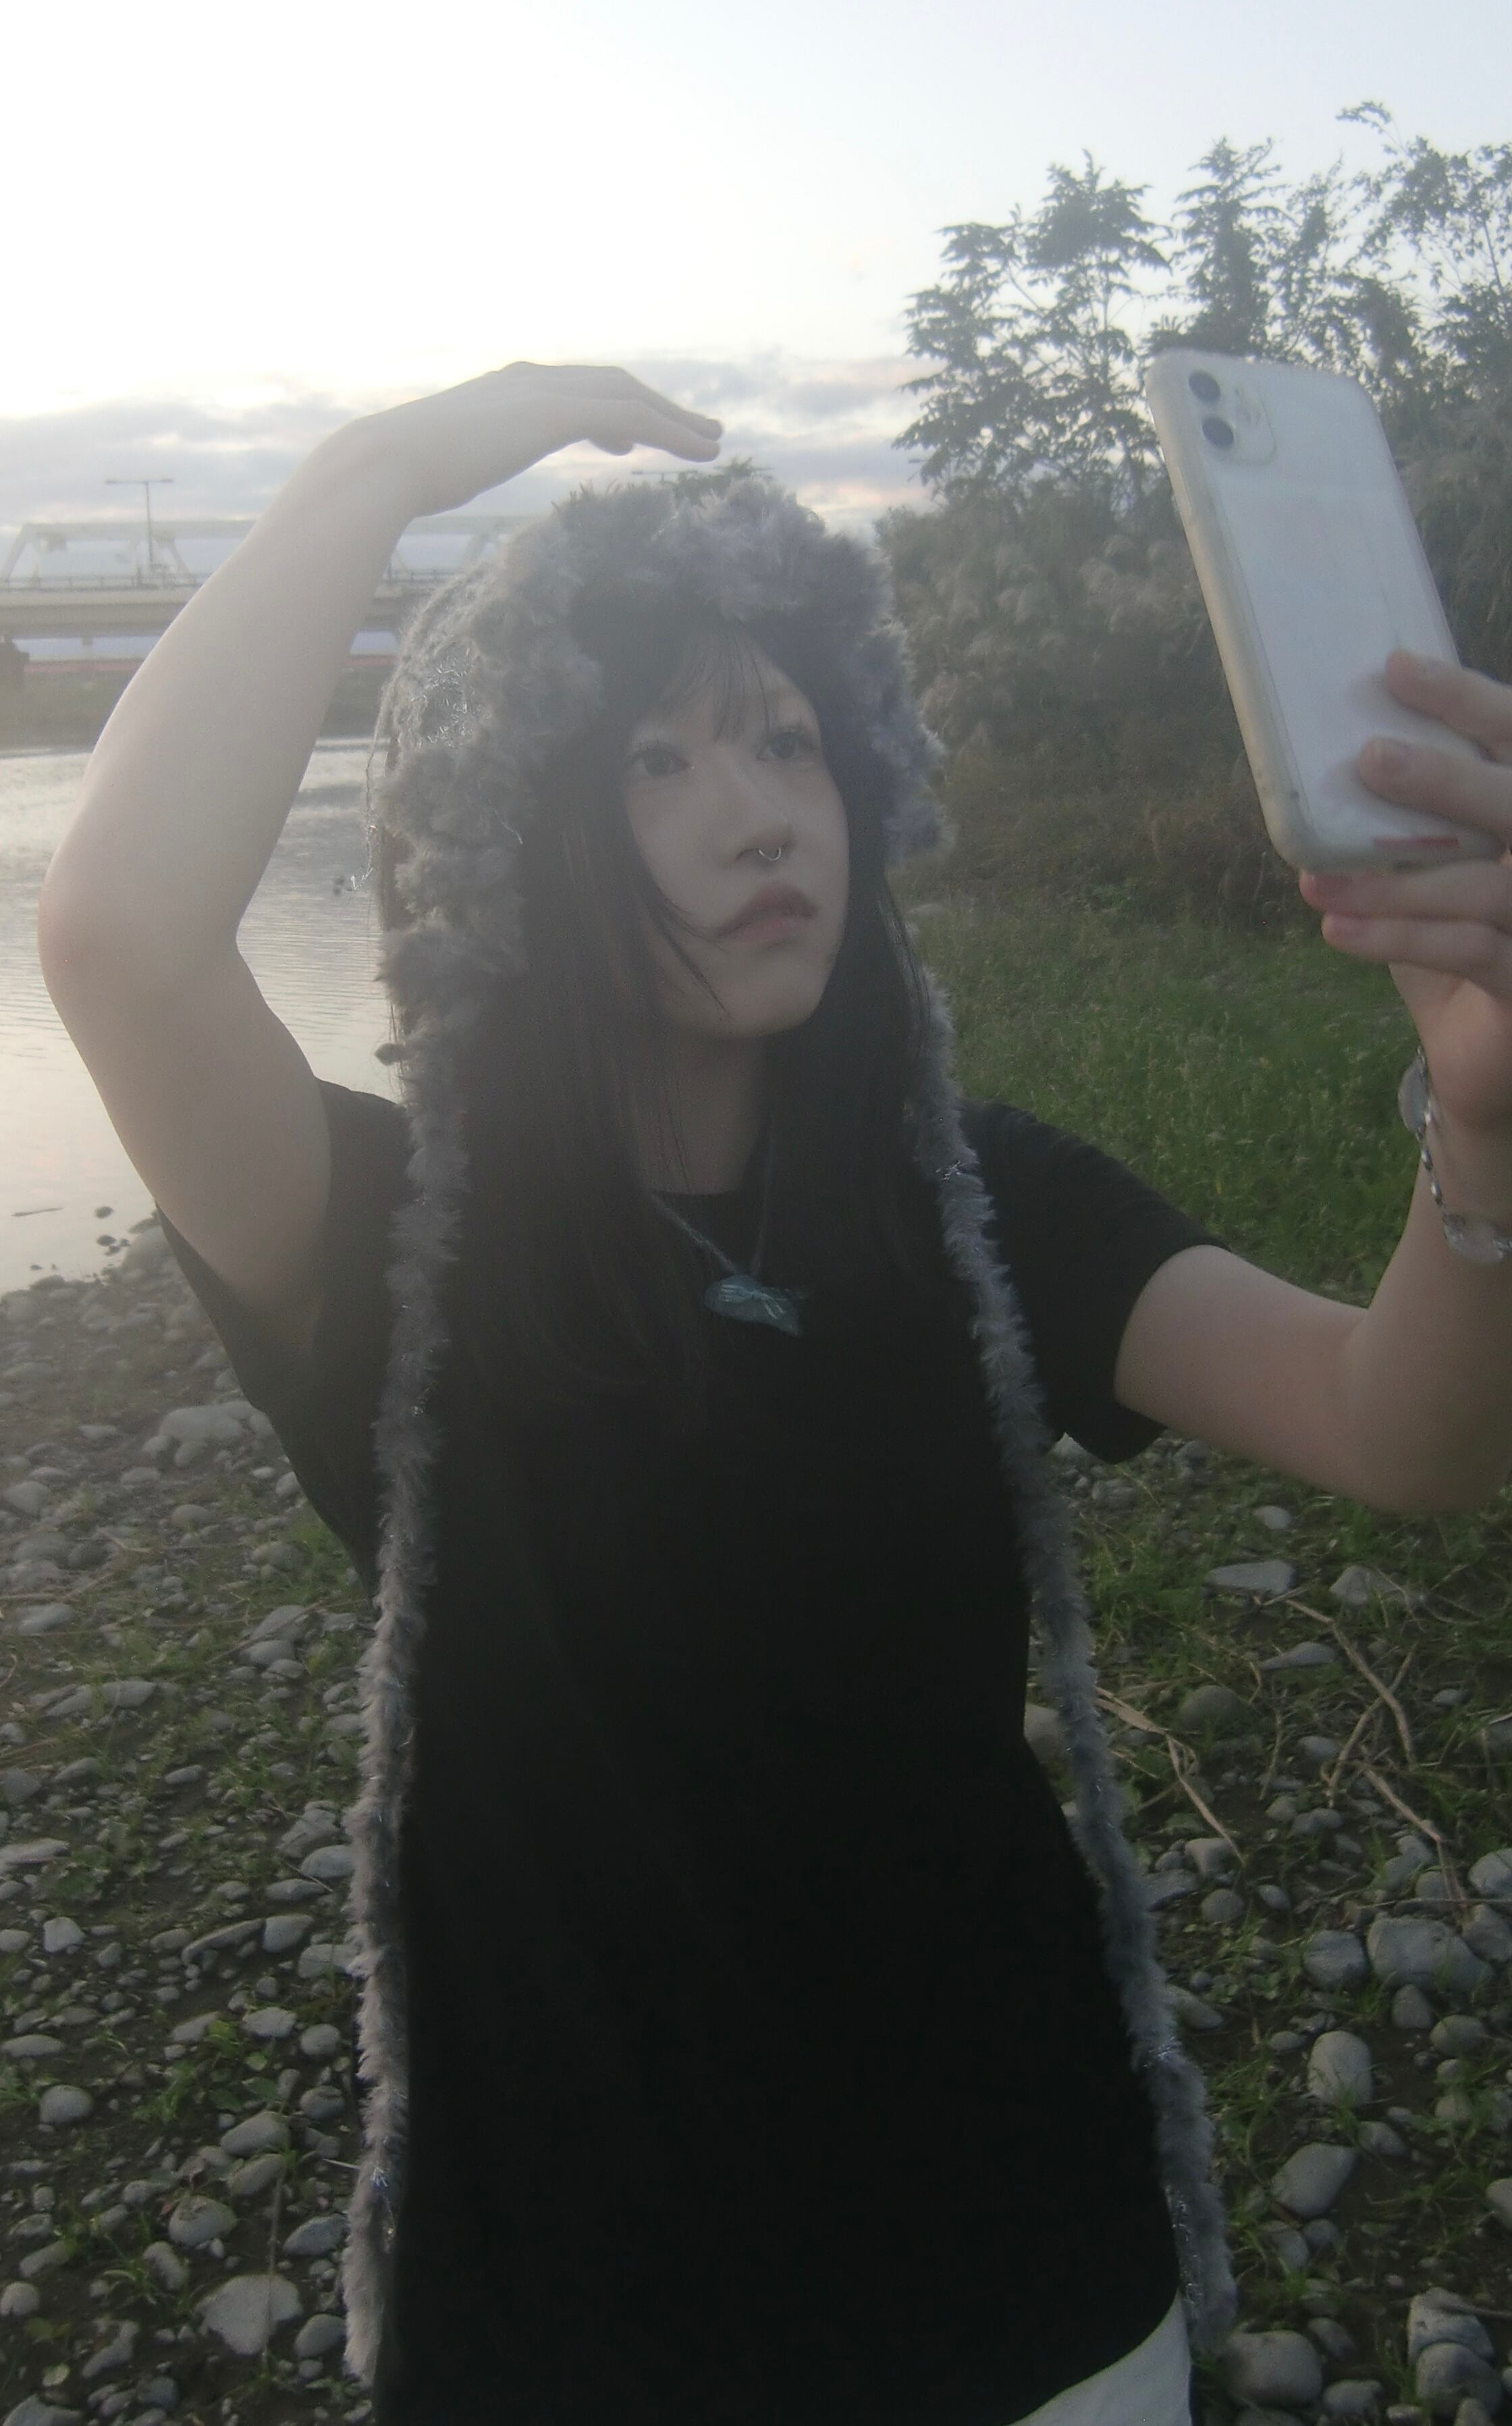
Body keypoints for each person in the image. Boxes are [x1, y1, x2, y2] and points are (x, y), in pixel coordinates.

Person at [38, 363, 1512, 2426]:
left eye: (788, 739)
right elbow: (118, 935)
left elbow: (1396, 1427)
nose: (758, 810)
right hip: (581, 2315)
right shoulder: (396, 1240)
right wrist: (376, 472)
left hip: (1025, 2277)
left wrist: (1486, 1120)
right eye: (655, 756)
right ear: (516, 826)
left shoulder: (977, 1203)